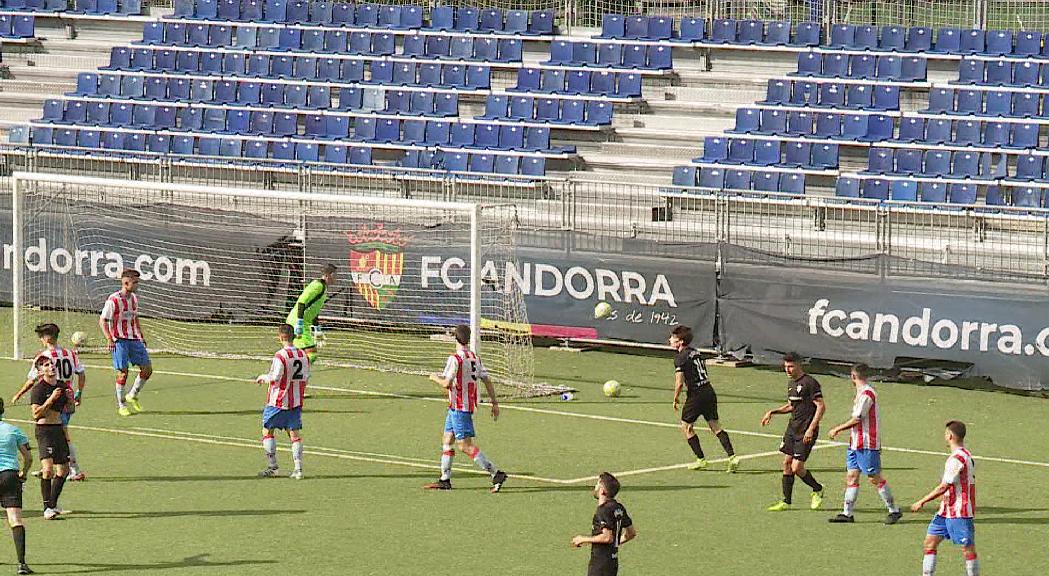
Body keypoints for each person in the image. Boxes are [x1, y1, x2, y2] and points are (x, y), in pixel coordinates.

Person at [423, 325, 508, 493]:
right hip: (457, 407)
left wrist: (433, 378)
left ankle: (496, 473)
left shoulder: (455, 359)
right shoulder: (474, 357)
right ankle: (444, 480)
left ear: (455, 338)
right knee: (447, 440)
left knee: (464, 446)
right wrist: (495, 402)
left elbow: (447, 383)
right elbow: (487, 380)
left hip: (460, 408)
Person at [827, 363, 902, 524]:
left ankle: (894, 510)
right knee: (852, 476)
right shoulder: (861, 393)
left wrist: (837, 429)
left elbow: (858, 418)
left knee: (874, 478)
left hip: (867, 443)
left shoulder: (867, 394)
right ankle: (847, 513)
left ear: (853, 377)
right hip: (854, 443)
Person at [12, 324, 86, 482]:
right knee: (54, 433)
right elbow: (81, 373)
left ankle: (75, 470)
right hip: (67, 396)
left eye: (41, 336)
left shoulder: (43, 357)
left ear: (45, 338)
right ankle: (47, 464)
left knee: (61, 434)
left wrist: (19, 394)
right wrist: (78, 392)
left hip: (51, 397)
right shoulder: (70, 353)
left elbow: (32, 380)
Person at [911, 421, 978, 576]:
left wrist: (922, 501)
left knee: (968, 548)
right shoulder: (963, 455)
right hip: (945, 510)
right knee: (930, 543)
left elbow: (944, 486)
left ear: (950, 436)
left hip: (959, 511)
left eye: (945, 433)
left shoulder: (958, 459)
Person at [668, 326, 739, 472]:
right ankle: (732, 457)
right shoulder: (696, 352)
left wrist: (675, 398)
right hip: (708, 390)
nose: (670, 340)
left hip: (696, 395)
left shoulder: (680, 358)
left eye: (673, 338)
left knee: (686, 426)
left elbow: (679, 382)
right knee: (715, 426)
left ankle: (701, 459)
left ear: (680, 342)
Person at [761, 352, 826, 512]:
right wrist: (773, 412)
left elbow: (821, 406)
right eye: (785, 367)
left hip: (805, 431)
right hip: (792, 429)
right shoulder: (791, 383)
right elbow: (791, 405)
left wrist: (811, 428)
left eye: (790, 366)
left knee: (797, 467)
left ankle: (817, 489)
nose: (788, 370)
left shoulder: (810, 383)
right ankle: (786, 501)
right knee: (786, 464)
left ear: (798, 365)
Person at [255, 324, 310, 480]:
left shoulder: (280, 355)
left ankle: (273, 467)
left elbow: (275, 377)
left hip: (277, 402)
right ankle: (298, 470)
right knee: (294, 434)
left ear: (280, 337)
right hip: (296, 401)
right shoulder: (302, 354)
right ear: (293, 336)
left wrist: (262, 377)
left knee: (267, 430)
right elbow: (306, 376)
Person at [99, 269, 152, 417]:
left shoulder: (134, 298)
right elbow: (103, 320)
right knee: (123, 373)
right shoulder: (113, 300)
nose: (137, 285)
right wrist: (109, 338)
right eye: (135, 282)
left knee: (147, 369)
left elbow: (134, 318)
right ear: (126, 283)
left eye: (137, 282)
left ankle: (132, 394)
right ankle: (122, 404)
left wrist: (141, 335)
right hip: (119, 340)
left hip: (134, 339)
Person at [571, 472, 637, 576]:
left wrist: (583, 539)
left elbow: (607, 537)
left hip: (600, 565)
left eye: (597, 484)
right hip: (612, 563)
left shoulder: (603, 510)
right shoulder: (618, 508)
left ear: (602, 490)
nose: (595, 487)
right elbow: (631, 533)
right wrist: (615, 544)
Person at [28, 356, 69, 521]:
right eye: (46, 365)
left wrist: (72, 400)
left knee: (64, 470)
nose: (51, 366)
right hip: (44, 431)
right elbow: (36, 414)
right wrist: (50, 399)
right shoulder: (38, 389)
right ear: (40, 371)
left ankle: (52, 503)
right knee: (47, 469)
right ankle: (46, 507)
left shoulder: (61, 385)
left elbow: (68, 409)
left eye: (52, 364)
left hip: (58, 429)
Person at [0, 398, 34, 575]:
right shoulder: (13, 430)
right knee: (15, 520)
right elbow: (28, 457)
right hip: (10, 476)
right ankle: (21, 563)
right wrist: (24, 473)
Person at [285, 264, 337, 364]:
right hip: (298, 322)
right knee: (311, 353)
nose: (336, 278)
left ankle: (291, 372)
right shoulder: (317, 285)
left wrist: (317, 329)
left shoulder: (323, 288)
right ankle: (295, 373)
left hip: (302, 322)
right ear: (327, 275)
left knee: (297, 353)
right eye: (334, 275)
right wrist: (299, 322)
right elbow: (301, 302)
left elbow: (313, 310)